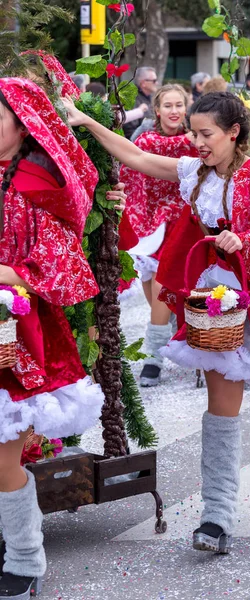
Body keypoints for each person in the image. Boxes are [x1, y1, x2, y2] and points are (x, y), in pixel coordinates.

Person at [63, 90, 250, 554]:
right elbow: (136, 155)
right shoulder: (194, 172)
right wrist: (87, 122)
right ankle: (215, 518)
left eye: (206, 134)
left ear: (234, 133)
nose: (196, 141)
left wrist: (249, 241)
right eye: (193, 132)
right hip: (216, 301)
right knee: (221, 409)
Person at [0, 77, 106, 599]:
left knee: (3, 456)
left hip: (18, 336)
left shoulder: (42, 183)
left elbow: (59, 266)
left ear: (21, 127)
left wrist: (5, 272)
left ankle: (25, 559)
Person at [118, 84, 198, 387]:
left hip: (184, 224)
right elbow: (144, 154)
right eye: (168, 105)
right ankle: (175, 332)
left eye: (179, 105)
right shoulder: (148, 138)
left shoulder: (197, 140)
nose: (174, 111)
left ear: (186, 108)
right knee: (155, 293)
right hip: (150, 224)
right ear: (157, 109)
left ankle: (152, 358)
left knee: (163, 287)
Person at [122, 66, 158, 139]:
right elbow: (130, 130)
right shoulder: (132, 99)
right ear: (143, 83)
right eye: (154, 80)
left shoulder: (151, 97)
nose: (157, 83)